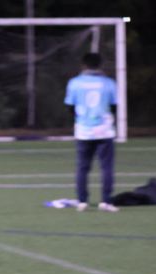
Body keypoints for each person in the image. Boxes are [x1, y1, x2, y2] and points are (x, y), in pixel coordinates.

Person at [64, 52, 119, 212]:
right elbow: (114, 106)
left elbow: (70, 106)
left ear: (83, 65)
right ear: (100, 65)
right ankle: (106, 201)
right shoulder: (109, 83)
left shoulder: (75, 83)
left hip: (84, 130)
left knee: (82, 167)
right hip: (104, 130)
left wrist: (80, 119)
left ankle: (82, 201)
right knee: (106, 167)